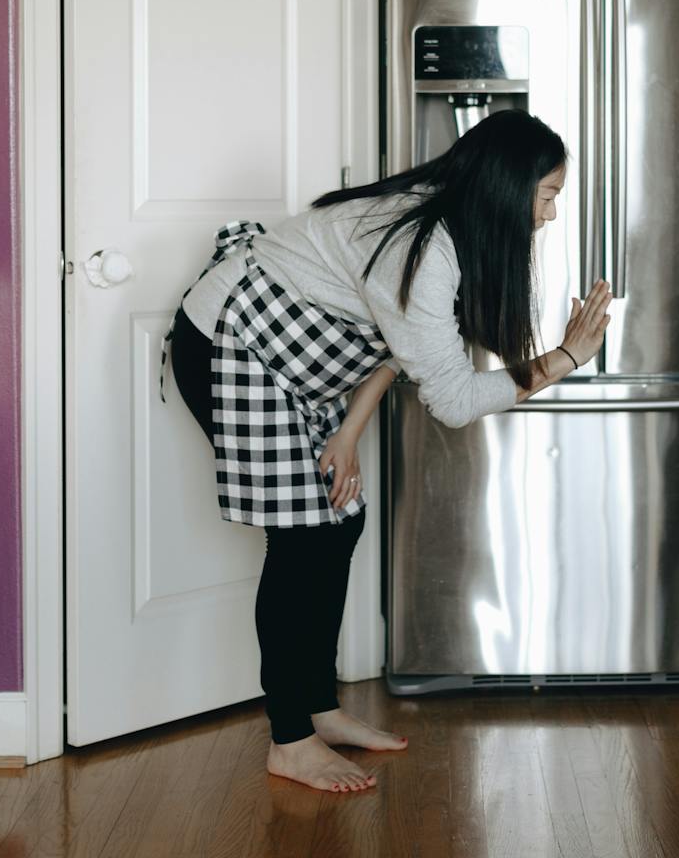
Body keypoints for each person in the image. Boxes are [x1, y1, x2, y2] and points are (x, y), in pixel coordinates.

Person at [166, 109, 614, 793]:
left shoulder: (447, 222)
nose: (550, 215)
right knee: (301, 540)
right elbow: (454, 399)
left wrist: (348, 431)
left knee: (338, 523)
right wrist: (563, 359)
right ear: (505, 187)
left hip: (296, 362)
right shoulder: (422, 247)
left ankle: (318, 708)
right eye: (548, 195)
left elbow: (395, 341)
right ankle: (290, 739)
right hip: (234, 346)